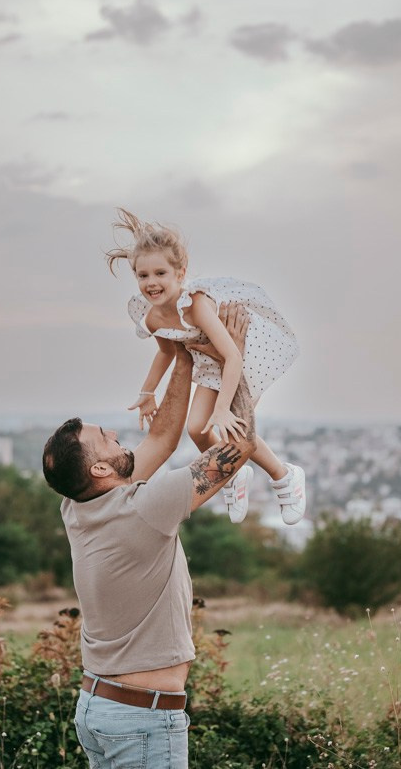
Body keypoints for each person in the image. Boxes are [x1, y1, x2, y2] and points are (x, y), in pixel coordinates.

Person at [41, 305, 256, 769]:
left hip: (101, 707)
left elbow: (161, 438)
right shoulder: (143, 507)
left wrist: (182, 355)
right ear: (99, 468)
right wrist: (231, 357)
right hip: (141, 719)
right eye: (106, 437)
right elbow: (239, 447)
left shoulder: (77, 506)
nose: (118, 434)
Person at [106, 208, 307, 526]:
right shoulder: (153, 315)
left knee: (235, 427)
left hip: (242, 350)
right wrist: (147, 392)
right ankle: (234, 476)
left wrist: (224, 408)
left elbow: (233, 356)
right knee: (198, 429)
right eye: (143, 275)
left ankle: (285, 477)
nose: (151, 283)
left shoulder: (195, 305)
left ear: (180, 274)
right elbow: (165, 353)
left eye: (160, 274)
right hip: (209, 359)